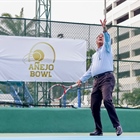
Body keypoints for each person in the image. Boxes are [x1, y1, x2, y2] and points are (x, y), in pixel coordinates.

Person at [76, 19, 123, 136]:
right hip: (96, 81)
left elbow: (107, 39)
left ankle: (117, 126)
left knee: (107, 100)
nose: (100, 37)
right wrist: (81, 79)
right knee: (94, 105)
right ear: (96, 41)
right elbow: (91, 70)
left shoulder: (107, 49)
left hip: (107, 78)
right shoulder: (94, 55)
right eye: (98, 37)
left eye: (102, 36)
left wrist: (104, 29)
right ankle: (99, 130)